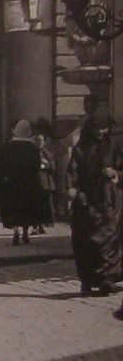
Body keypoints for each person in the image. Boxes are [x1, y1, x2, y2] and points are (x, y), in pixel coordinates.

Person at [67, 109, 121, 297]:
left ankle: (106, 279)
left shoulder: (113, 146)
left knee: (110, 239)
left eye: (104, 128)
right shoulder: (80, 148)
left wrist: (115, 174)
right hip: (86, 199)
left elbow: (121, 168)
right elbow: (72, 171)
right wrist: (72, 189)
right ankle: (87, 281)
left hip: (108, 201)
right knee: (85, 240)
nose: (101, 132)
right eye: (98, 129)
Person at [0, 119, 44, 246]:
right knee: (26, 208)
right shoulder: (32, 148)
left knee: (14, 208)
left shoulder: (8, 147)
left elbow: (2, 165)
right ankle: (25, 233)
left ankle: (15, 232)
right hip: (28, 183)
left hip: (12, 183)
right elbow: (37, 166)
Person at [34, 132, 56, 234]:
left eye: (41, 140)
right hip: (35, 183)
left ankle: (43, 225)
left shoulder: (48, 153)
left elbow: (53, 168)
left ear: (44, 142)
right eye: (37, 140)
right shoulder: (31, 153)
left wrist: (46, 164)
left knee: (45, 206)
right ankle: (35, 226)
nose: (39, 143)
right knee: (35, 206)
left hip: (46, 183)